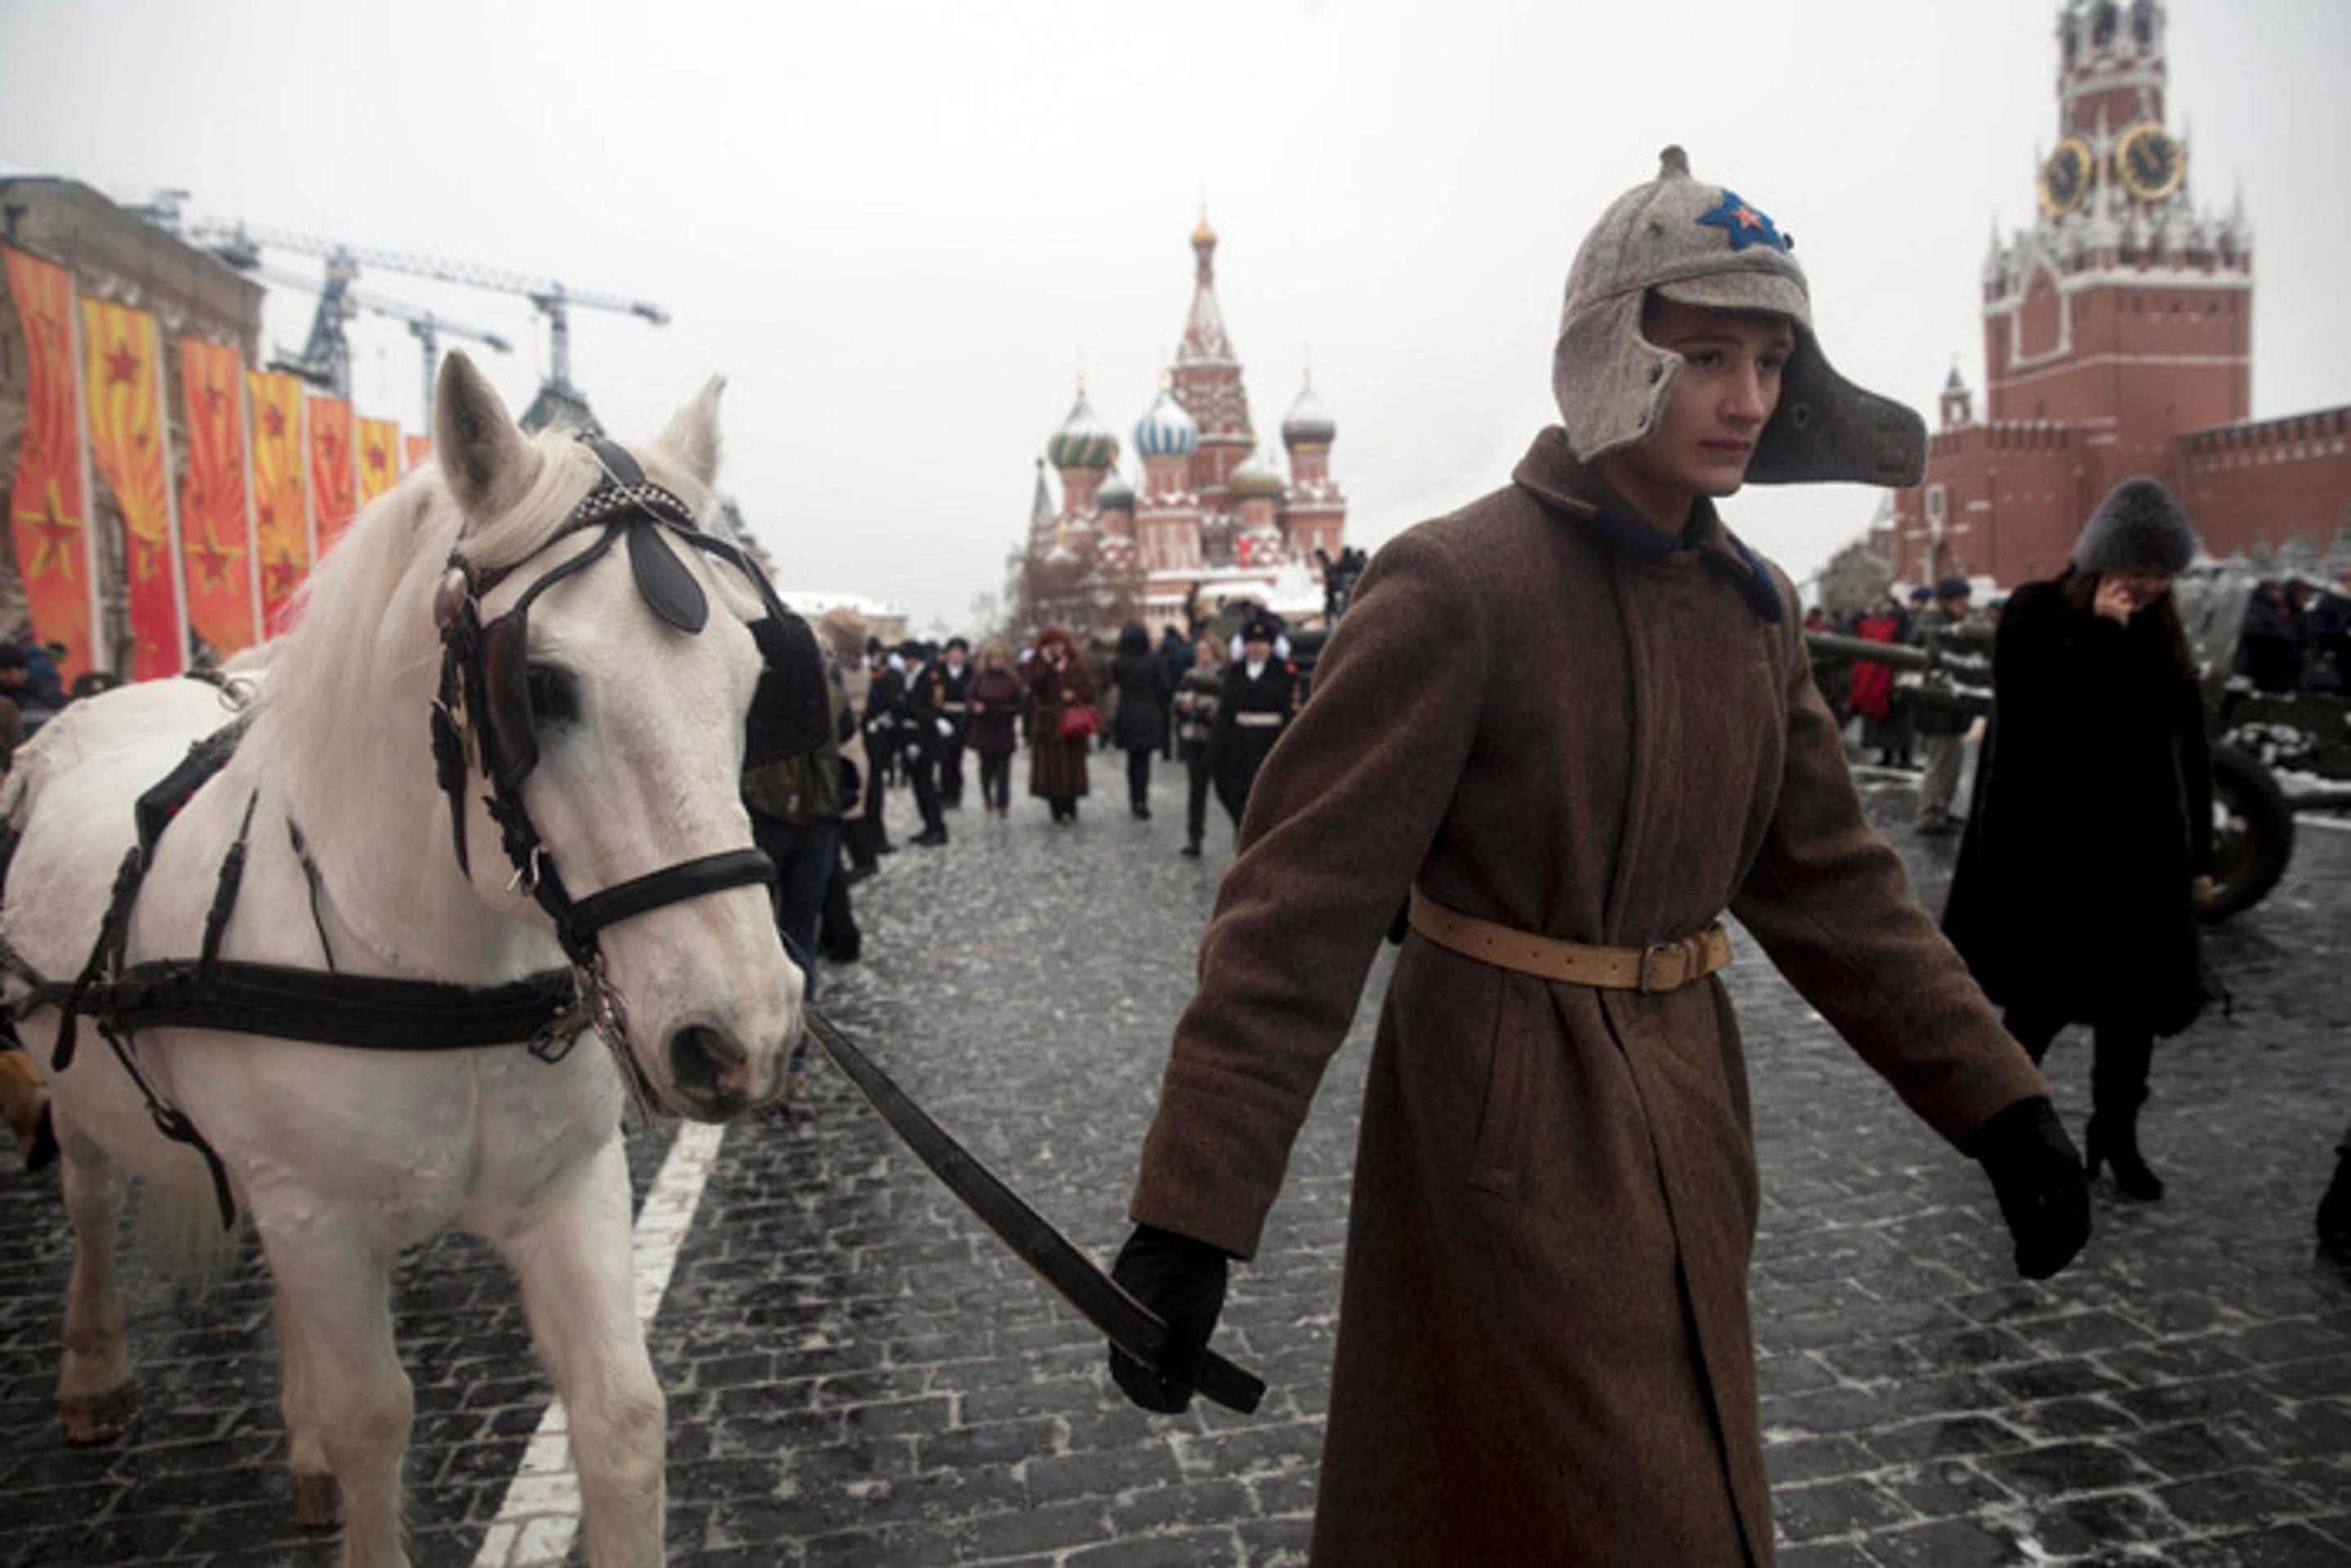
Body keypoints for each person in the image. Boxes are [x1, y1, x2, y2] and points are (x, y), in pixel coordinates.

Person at [1104, 146, 2086, 1566]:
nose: (1745, 398)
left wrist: (1998, 1106)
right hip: (1501, 1132)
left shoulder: (1752, 609)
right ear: (1611, 358)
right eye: (1704, 356)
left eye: (1766, 358)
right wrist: (1187, 1217)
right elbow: (1293, 916)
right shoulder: (1454, 584)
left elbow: (1837, 890)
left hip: (1690, 1111)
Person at [1944, 478, 2212, 1203]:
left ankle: (2116, 1136)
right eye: (2136, 572)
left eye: (2160, 575)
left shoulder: (2163, 633)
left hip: (2141, 865)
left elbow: (2187, 753)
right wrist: (2101, 633)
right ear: (2100, 564)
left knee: (2132, 1020)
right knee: (2035, 1011)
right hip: (2057, 861)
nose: (2149, 586)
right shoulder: (2035, 614)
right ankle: (2008, 1130)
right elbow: (2042, 724)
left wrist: (2202, 859)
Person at [1208, 617, 1299, 833]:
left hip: (1270, 744)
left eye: (1262, 643)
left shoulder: (1283, 672)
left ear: (1271, 646)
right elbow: (1225, 714)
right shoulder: (1235, 672)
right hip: (1238, 747)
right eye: (1252, 643)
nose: (1256, 648)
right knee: (1237, 798)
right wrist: (1214, 751)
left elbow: (1289, 712)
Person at [1912, 573, 1975, 833]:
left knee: (1949, 763)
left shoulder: (1939, 622)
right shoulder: (1937, 626)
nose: (1965, 604)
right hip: (1939, 708)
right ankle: (1931, 815)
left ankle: (1941, 810)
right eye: (1961, 599)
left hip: (1944, 707)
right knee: (1942, 764)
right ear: (1949, 600)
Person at [1025, 625, 1095, 823]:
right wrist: (1047, 666)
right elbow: (1033, 685)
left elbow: (1088, 691)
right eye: (1051, 644)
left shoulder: (1075, 664)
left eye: (1059, 643)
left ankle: (1071, 804)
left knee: (1072, 766)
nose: (1056, 648)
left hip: (1072, 722)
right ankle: (1055, 805)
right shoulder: (1037, 664)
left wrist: (1074, 695)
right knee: (1051, 768)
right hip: (1048, 723)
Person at [1109, 621, 1171, 819]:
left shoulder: (1119, 662)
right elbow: (1165, 688)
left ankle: (1133, 798)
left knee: (1132, 760)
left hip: (1126, 713)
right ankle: (1142, 800)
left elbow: (1116, 681)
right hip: (1149, 712)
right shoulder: (1154, 660)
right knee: (1144, 762)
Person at [1172, 628, 1225, 859]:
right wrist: (1185, 708)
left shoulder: (1223, 675)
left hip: (1217, 740)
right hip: (1194, 738)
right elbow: (1178, 702)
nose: (1201, 655)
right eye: (1199, 651)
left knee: (1226, 788)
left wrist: (1197, 706)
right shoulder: (1189, 675)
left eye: (1205, 651)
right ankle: (1194, 836)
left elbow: (1222, 707)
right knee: (1196, 791)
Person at [1848, 593, 1914, 768]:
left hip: (1894, 678)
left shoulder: (1899, 624)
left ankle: (1904, 757)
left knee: (1900, 723)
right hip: (1879, 678)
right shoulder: (1870, 625)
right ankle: (1888, 756)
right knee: (1885, 725)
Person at [966, 640, 1026, 813]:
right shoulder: (980, 678)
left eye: (1000, 658)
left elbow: (1021, 704)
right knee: (986, 768)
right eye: (993, 658)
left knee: (1003, 771)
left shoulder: (1013, 680)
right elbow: (969, 696)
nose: (997, 662)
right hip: (983, 729)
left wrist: (1006, 711)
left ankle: (1003, 802)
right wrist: (975, 706)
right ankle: (987, 798)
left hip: (1003, 728)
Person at [902, 639, 952, 847]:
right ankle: (928, 825)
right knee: (918, 785)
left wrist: (910, 712)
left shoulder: (931, 677)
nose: (905, 663)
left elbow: (934, 708)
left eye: (907, 659)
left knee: (926, 784)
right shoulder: (910, 677)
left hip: (926, 736)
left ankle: (937, 827)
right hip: (911, 735)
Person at [934, 636, 974, 808]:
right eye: (952, 652)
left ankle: (955, 793)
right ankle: (944, 792)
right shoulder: (938, 671)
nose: (956, 656)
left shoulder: (970, 672)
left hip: (962, 717)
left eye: (960, 653)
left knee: (956, 758)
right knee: (943, 758)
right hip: (943, 715)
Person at [1155, 625, 1193, 760]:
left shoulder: (1159, 650)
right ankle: (1181, 752)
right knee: (1181, 719)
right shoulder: (1183, 649)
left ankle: (1166, 751)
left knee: (1164, 721)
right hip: (1181, 686)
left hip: (1163, 691)